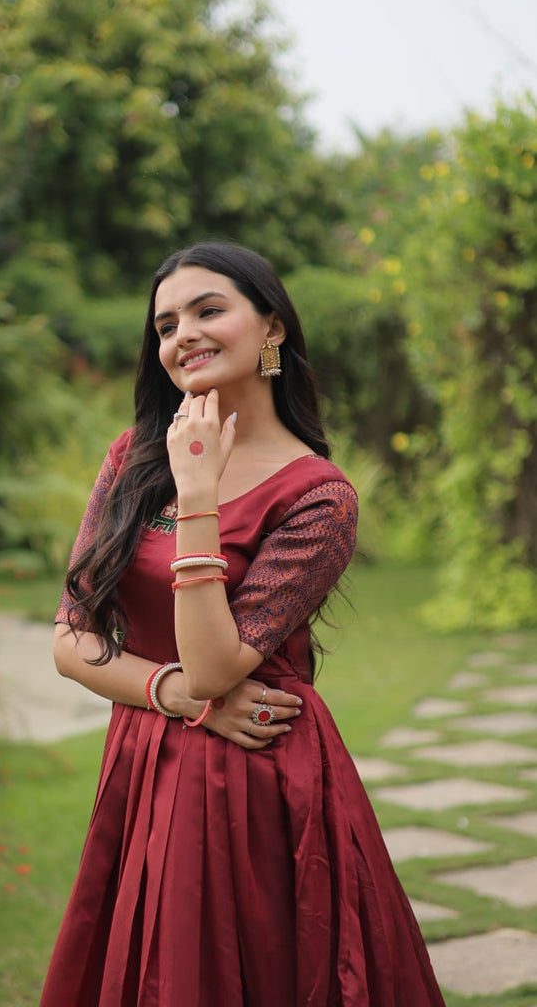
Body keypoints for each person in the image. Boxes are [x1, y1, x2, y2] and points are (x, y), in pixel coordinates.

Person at [39, 241, 446, 1006]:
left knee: (247, 965)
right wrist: (173, 696)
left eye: (207, 310)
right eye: (165, 324)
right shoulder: (132, 458)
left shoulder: (320, 498)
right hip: (149, 747)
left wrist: (198, 494)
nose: (181, 334)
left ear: (272, 329)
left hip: (257, 768)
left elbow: (219, 666)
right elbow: (70, 641)